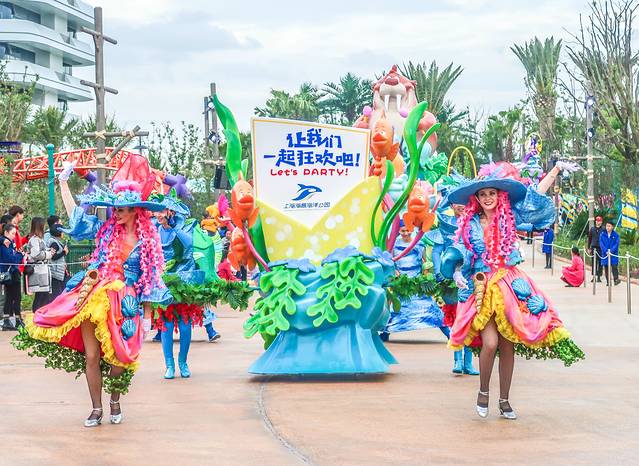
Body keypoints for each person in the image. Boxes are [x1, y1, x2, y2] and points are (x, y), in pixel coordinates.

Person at [15, 158, 170, 427]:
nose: (116, 213)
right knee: (92, 355)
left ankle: (114, 400)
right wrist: (63, 183)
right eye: (115, 208)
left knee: (121, 356)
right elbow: (76, 218)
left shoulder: (147, 240)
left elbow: (150, 279)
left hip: (126, 302)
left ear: (135, 210)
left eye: (122, 209)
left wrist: (147, 316)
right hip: (95, 296)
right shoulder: (105, 230)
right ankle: (96, 408)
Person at [441, 161, 584, 420]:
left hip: (508, 283)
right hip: (482, 286)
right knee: (490, 342)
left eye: (492, 193)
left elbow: (534, 198)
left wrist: (555, 170)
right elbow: (461, 252)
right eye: (483, 194)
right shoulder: (470, 223)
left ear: (500, 195)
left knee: (507, 345)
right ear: (476, 198)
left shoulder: (509, 216)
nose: (488, 198)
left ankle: (504, 401)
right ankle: (483, 391)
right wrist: (457, 272)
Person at [430, 199, 479, 376]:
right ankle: (457, 359)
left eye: (464, 201)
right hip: (450, 279)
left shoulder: (475, 224)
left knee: (471, 320)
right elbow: (437, 251)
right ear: (451, 205)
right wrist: (439, 271)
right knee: (457, 319)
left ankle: (468, 362)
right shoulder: (445, 223)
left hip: (471, 279)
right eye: (457, 202)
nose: (461, 205)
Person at [381, 220, 448, 342]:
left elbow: (423, 262)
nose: (406, 233)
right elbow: (390, 262)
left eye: (408, 230)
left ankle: (449, 334)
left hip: (417, 282)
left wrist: (425, 275)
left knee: (430, 307)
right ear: (399, 231)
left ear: (412, 230)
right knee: (396, 309)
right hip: (401, 282)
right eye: (403, 231)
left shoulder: (419, 243)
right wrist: (395, 271)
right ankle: (385, 333)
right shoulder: (394, 245)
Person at [25, 217, 54, 311]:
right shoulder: (34, 240)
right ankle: (37, 314)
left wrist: (48, 251)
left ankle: (39, 313)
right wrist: (48, 254)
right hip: (38, 270)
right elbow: (36, 254)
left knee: (43, 295)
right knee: (40, 296)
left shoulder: (39, 239)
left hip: (42, 270)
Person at [1, 224, 24, 330]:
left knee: (13, 297)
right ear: (6, 232)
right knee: (13, 297)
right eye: (12, 233)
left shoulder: (10, 242)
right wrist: (20, 255)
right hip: (10, 273)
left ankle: (14, 319)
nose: (14, 236)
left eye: (15, 234)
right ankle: (11, 320)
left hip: (14, 272)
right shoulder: (5, 243)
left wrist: (17, 255)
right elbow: (11, 259)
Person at [46, 223, 70, 301]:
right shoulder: (54, 243)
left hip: (57, 272)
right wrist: (64, 252)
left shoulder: (56, 242)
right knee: (56, 295)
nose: (63, 233)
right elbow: (53, 256)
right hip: (55, 272)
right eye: (62, 231)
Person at [599, 221, 621, 286]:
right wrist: (606, 251)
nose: (607, 227)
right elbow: (601, 243)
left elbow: (616, 244)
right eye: (607, 226)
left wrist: (611, 251)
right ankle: (608, 281)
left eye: (609, 226)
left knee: (614, 266)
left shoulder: (616, 235)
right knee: (606, 268)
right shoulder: (602, 234)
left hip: (613, 254)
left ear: (612, 227)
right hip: (605, 254)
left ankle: (616, 279)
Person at [587, 216, 604, 282]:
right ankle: (593, 276)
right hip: (593, 247)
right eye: (597, 221)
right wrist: (589, 248)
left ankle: (599, 277)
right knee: (594, 262)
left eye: (599, 221)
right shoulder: (592, 229)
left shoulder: (603, 229)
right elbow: (589, 239)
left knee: (600, 263)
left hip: (601, 248)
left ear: (601, 222)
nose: (598, 222)